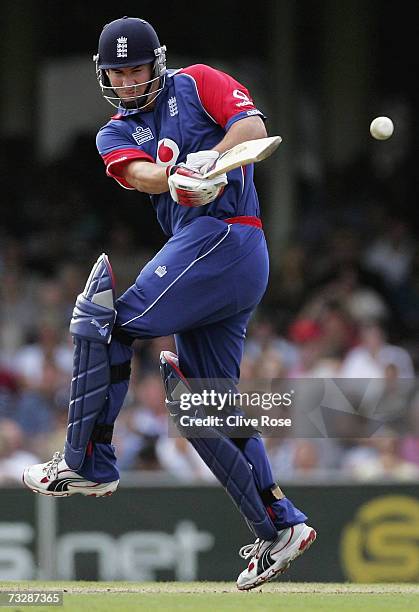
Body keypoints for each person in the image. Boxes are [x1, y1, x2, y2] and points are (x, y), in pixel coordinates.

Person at [23, 16, 315, 589]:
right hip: (203, 246)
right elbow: (141, 175)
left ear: (156, 62)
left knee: (103, 325)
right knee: (204, 406)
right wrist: (181, 176)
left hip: (227, 235)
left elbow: (251, 127)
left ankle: (86, 463)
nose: (130, 82)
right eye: (119, 73)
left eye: (137, 69)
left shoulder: (199, 81)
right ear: (105, 77)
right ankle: (280, 526)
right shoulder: (114, 132)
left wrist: (213, 160)